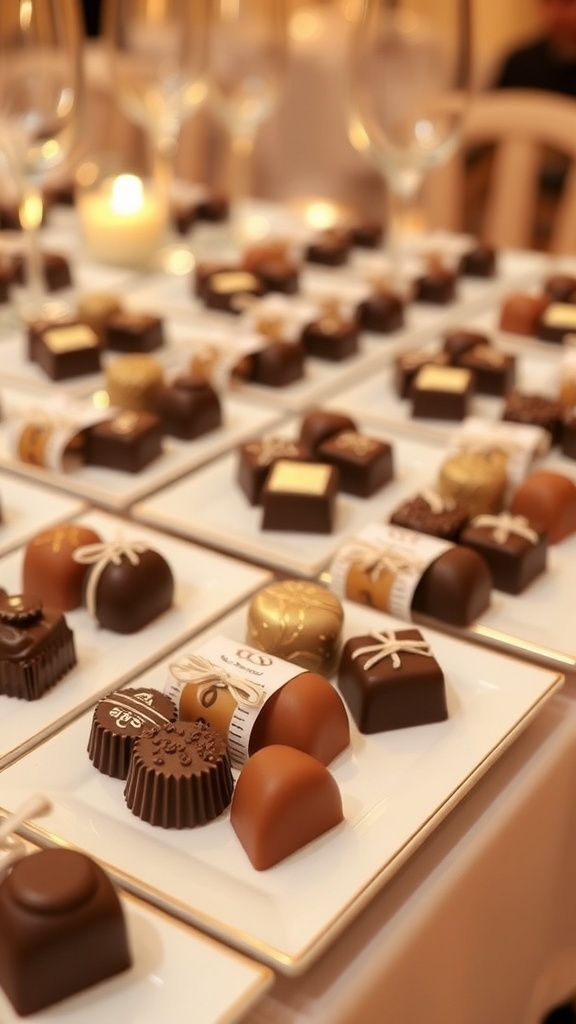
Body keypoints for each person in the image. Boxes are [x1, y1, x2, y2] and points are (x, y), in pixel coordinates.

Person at [492, 0, 576, 97]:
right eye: (547, 2)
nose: (554, 14)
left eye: (567, 3)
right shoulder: (520, 64)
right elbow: (496, 107)